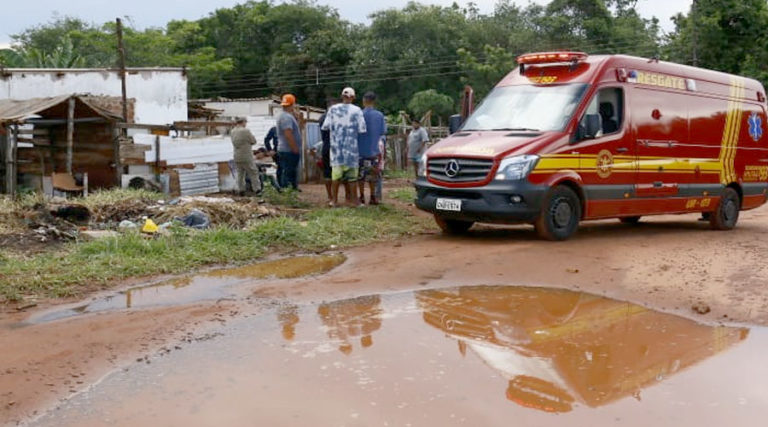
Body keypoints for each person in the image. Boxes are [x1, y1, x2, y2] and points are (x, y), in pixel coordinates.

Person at [321, 87, 367, 207]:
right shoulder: (357, 111)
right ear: (353, 97)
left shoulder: (332, 109)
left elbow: (325, 126)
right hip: (351, 150)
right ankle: (354, 201)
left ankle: (334, 201)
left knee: (336, 177)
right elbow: (362, 129)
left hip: (336, 150)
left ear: (342, 96)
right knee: (352, 178)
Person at [357, 92, 387, 205]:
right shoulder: (379, 115)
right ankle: (373, 197)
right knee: (372, 176)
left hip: (360, 151)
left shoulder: (358, 114)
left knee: (360, 176)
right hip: (373, 150)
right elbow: (382, 132)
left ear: (364, 100)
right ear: (374, 101)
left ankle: (361, 197)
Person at [276, 94, 302, 190]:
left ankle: (292, 189)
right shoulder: (286, 117)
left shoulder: (286, 116)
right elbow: (288, 134)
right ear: (293, 104)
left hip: (286, 149)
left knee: (290, 171)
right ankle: (287, 191)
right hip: (288, 150)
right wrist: (294, 148)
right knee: (288, 172)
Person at [314, 99, 338, 205]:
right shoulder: (337, 117)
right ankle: (338, 197)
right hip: (337, 148)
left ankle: (330, 196)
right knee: (338, 173)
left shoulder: (322, 118)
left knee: (327, 173)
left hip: (326, 147)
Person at [230, 118, 261, 195]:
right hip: (246, 155)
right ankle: (257, 189)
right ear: (243, 122)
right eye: (245, 122)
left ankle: (241, 190)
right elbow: (253, 141)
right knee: (253, 172)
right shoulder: (245, 131)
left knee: (240, 173)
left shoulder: (233, 131)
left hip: (237, 155)